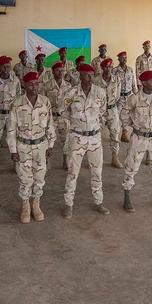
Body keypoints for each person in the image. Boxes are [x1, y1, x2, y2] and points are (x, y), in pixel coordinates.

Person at [60, 63, 110, 218]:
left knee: (97, 171)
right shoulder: (71, 93)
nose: (90, 78)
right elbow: (62, 110)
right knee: (72, 172)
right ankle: (68, 204)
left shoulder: (100, 93)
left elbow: (103, 112)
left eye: (92, 75)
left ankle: (98, 202)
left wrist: (97, 126)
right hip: (77, 137)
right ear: (80, 76)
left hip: (94, 138)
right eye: (87, 75)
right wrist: (77, 122)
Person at [7, 72, 56, 223]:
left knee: (40, 177)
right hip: (23, 147)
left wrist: (51, 144)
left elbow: (50, 124)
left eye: (36, 84)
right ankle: (25, 207)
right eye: (30, 84)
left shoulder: (45, 102)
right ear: (24, 85)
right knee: (25, 178)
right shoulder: (17, 104)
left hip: (41, 146)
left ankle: (36, 205)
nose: (34, 87)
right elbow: (11, 129)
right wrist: (13, 150)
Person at [121, 69, 152, 211]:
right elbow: (124, 115)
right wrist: (135, 125)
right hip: (139, 138)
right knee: (131, 167)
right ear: (144, 83)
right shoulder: (134, 98)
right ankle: (127, 197)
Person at [0, 55, 22, 175]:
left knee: (14, 138)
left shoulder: (15, 80)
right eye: (3, 67)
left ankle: (16, 164)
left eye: (8, 66)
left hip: (11, 115)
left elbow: (18, 98)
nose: (6, 69)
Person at [40, 61, 71, 169]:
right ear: (53, 72)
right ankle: (48, 160)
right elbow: (42, 103)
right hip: (51, 117)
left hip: (63, 117)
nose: (61, 72)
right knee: (48, 138)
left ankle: (65, 159)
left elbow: (70, 102)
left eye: (62, 70)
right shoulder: (46, 86)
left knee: (66, 139)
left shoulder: (68, 86)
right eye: (58, 70)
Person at [96, 58, 124, 168]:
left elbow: (117, 96)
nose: (108, 69)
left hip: (112, 110)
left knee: (115, 134)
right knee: (96, 134)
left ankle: (115, 157)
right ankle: (96, 158)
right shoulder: (97, 80)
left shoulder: (116, 80)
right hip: (100, 111)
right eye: (106, 67)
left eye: (110, 67)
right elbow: (95, 96)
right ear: (102, 68)